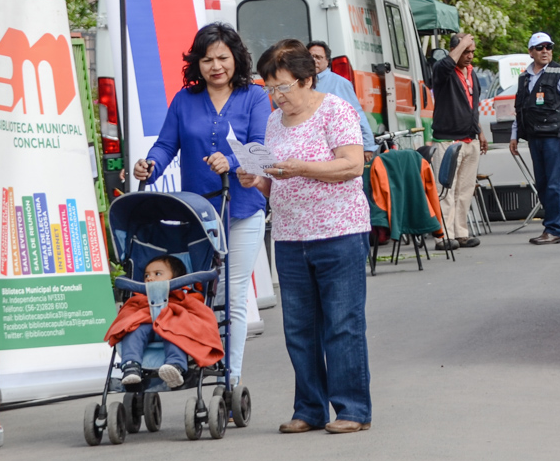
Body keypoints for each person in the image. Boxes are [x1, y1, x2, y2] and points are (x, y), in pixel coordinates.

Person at [238, 40, 372, 434]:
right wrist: (257, 179)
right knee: (298, 326)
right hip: (291, 234)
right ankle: (309, 408)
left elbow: (351, 165)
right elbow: (275, 184)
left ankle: (352, 409)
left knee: (342, 323)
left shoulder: (335, 109)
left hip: (339, 230)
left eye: (283, 87)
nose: (276, 97)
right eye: (270, 88)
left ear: (307, 79)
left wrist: (302, 167)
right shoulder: (273, 123)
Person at [133, 24, 269, 386]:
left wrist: (232, 160)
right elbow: (165, 145)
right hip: (198, 214)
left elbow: (259, 149)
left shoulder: (254, 97)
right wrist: (150, 164)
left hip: (242, 208)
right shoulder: (184, 100)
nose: (215, 66)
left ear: (236, 59)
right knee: (199, 292)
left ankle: (230, 380)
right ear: (197, 62)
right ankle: (190, 364)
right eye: (207, 59)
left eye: (223, 58)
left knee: (233, 295)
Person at [105, 255, 223, 390]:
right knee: (132, 329)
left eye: (157, 274)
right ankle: (131, 365)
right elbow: (128, 315)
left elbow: (196, 314)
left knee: (177, 329)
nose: (150, 278)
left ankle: (175, 366)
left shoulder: (186, 296)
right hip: (146, 323)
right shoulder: (141, 299)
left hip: (172, 328)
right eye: (146, 275)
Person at [509, 32, 560, 246]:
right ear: (531, 52)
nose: (545, 51)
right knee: (542, 184)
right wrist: (515, 135)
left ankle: (555, 229)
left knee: (554, 184)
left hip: (554, 137)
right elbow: (520, 109)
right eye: (540, 48)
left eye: (548, 47)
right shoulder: (524, 77)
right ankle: (551, 226)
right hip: (534, 137)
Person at [429, 32, 486, 251]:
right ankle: (444, 235)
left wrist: (479, 131)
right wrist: (461, 44)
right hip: (448, 140)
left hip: (469, 138)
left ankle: (461, 232)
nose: (470, 56)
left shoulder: (471, 74)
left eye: (472, 52)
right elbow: (442, 67)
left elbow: (473, 105)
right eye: (465, 51)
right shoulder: (445, 71)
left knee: (465, 189)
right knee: (446, 189)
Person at [307, 41, 377, 160]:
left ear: (327, 61)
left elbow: (356, 114)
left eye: (318, 57)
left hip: (334, 146)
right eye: (310, 57)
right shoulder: (299, 82)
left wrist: (367, 145)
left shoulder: (339, 83)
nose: (314, 60)